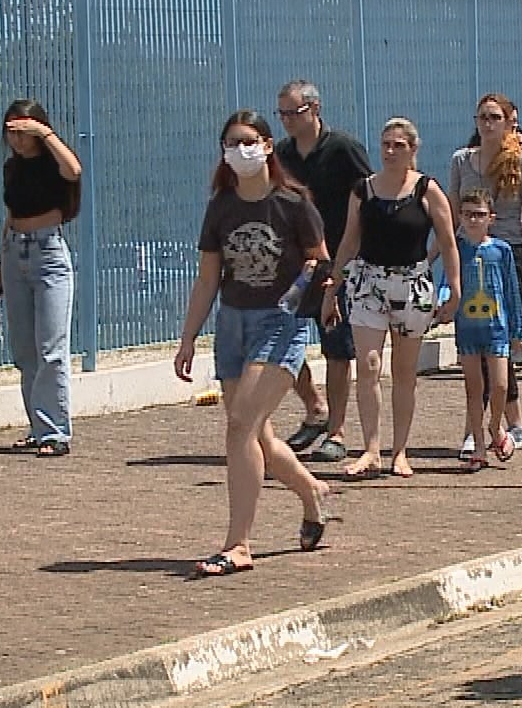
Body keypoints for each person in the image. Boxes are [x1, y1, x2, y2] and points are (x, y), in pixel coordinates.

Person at [174, 110, 331, 576]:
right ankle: (311, 492)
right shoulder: (221, 206)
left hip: (281, 323)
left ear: (266, 146)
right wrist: (187, 340)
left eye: (247, 141)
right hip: (233, 323)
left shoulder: (294, 203)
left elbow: (319, 261)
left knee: (240, 424)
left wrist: (312, 288)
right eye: (230, 143)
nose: (238, 150)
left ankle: (238, 544)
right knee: (256, 432)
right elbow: (207, 278)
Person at [328, 117, 461, 478]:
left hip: (412, 285)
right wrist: (333, 285)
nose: (390, 151)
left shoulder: (426, 190)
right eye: (386, 144)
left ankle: (399, 451)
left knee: (404, 371)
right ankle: (370, 448)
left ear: (413, 150)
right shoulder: (363, 190)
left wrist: (454, 288)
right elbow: (349, 240)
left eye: (398, 145)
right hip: (369, 282)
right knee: (368, 365)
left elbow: (448, 242)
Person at [273, 80, 372, 465]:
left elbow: (367, 198)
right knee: (280, 342)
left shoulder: (343, 149)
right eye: (280, 113)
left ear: (314, 109)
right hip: (293, 266)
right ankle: (315, 409)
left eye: (292, 113)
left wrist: (352, 259)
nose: (285, 121)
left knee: (336, 348)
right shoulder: (280, 155)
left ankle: (337, 432)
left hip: (337, 263)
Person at [0, 99, 81, 457]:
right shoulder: (12, 168)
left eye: (22, 132)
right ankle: (38, 427)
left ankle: (56, 432)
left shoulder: (54, 162)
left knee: (51, 348)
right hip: (15, 253)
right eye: (11, 132)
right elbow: (10, 218)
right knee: (25, 350)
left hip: (48, 253)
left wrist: (45, 134)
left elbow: (74, 171)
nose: (17, 140)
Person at [451, 93, 522, 452]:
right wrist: (437, 258)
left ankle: (499, 425)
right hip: (467, 254)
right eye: (482, 117)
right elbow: (450, 215)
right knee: (473, 348)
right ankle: (494, 426)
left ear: (510, 122)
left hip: (508, 254)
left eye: (495, 117)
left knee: (500, 342)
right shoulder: (462, 161)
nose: (488, 123)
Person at [453, 188, 522, 468]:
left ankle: (496, 427)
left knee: (500, 385)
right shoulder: (457, 250)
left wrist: (518, 331)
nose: (473, 220)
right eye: (468, 214)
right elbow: (449, 282)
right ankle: (479, 445)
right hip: (467, 328)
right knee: (473, 388)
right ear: (460, 217)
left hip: (497, 327)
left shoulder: (501, 250)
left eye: (479, 215)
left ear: (490, 218)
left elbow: (512, 292)